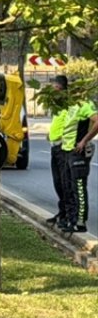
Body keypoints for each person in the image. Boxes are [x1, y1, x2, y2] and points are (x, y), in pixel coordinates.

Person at [51, 88, 97, 233]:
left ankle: (80, 222)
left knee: (79, 188)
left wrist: (84, 141)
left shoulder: (85, 105)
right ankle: (71, 219)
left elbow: (96, 121)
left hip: (79, 153)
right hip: (67, 151)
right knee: (68, 186)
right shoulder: (70, 106)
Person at [46, 75, 71, 227]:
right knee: (57, 182)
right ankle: (62, 211)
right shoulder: (56, 105)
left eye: (55, 88)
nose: (53, 91)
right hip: (54, 146)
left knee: (64, 182)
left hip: (63, 146)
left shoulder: (68, 104)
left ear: (61, 89)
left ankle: (67, 214)